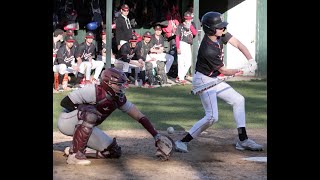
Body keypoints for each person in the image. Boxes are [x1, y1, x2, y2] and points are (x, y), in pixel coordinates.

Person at [174, 11, 262, 153]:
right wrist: (242, 70)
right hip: (203, 80)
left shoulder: (221, 34)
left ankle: (243, 140)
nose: (223, 29)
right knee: (212, 116)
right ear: (210, 29)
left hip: (213, 78)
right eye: (220, 27)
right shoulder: (208, 49)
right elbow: (224, 71)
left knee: (238, 100)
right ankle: (182, 142)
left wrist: (250, 60)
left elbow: (238, 44)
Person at [58, 68, 166, 165]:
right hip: (66, 121)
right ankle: (75, 155)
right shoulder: (92, 90)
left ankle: (77, 148)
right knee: (90, 113)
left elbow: (139, 116)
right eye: (118, 84)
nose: (121, 87)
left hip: (85, 125)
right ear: (107, 83)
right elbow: (64, 103)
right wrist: (84, 109)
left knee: (113, 151)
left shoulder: (118, 99)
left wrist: (156, 136)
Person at [174, 11, 197, 84]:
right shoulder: (180, 25)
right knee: (181, 62)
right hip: (181, 43)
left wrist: (190, 26)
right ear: (184, 18)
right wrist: (178, 47)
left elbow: (195, 33)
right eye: (187, 18)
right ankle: (181, 78)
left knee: (188, 63)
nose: (188, 20)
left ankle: (180, 76)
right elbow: (177, 37)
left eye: (189, 18)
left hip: (188, 44)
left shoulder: (192, 24)